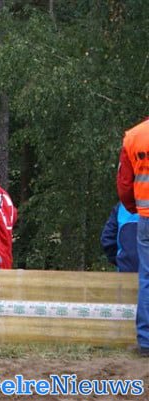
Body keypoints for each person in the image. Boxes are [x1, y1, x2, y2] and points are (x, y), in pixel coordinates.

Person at [116, 117, 149, 357]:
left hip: (146, 216)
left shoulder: (134, 136)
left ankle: (146, 341)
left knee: (147, 278)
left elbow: (125, 184)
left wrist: (132, 208)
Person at [100, 202, 139, 273]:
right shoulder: (120, 208)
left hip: (126, 270)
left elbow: (107, 239)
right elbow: (107, 238)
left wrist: (121, 262)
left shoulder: (121, 207)